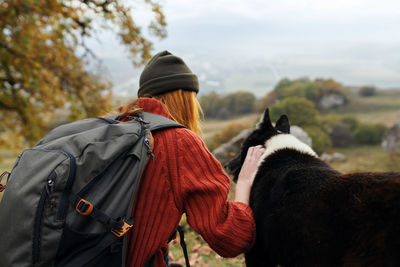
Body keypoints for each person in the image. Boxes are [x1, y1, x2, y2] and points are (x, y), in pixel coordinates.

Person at [119, 51, 265, 266]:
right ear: (186, 100)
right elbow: (229, 239)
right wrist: (243, 182)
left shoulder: (117, 127)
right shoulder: (180, 143)